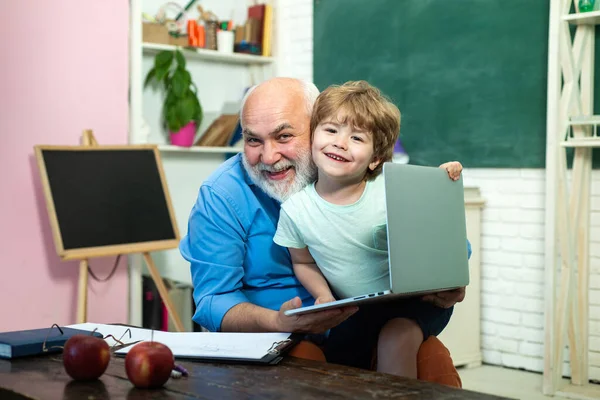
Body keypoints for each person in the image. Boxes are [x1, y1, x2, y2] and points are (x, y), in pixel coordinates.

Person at [179, 77, 468, 387]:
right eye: (253, 140)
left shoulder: (353, 168)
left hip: (375, 322)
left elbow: (441, 241)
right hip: (285, 336)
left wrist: (446, 282)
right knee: (306, 372)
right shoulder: (221, 195)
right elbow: (213, 300)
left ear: (316, 124)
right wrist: (277, 321)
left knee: (434, 366)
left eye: (284, 136)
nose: (269, 156)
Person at [272, 80, 469, 379]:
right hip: (356, 309)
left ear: (376, 158)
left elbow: (433, 226)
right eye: (331, 130)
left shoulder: (389, 191)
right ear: (312, 139)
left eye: (357, 138)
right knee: (333, 357)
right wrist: (323, 295)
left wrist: (442, 180)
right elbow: (303, 261)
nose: (340, 142)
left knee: (395, 339)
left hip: (413, 301)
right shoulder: (295, 210)